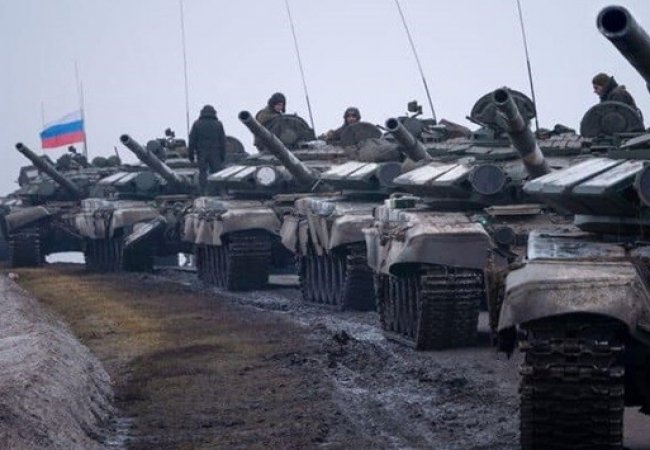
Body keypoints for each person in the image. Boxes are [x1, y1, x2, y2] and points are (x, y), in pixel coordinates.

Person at [188, 104, 226, 195]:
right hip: (215, 152)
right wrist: (223, 156)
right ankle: (217, 191)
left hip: (201, 152)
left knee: (202, 173)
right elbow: (223, 141)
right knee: (217, 173)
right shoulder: (218, 124)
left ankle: (203, 191)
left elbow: (192, 141)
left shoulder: (197, 124)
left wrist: (191, 156)